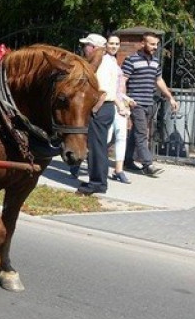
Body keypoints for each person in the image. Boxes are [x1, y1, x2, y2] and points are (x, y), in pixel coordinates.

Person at [123, 32, 179, 177]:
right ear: (142, 43)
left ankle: (127, 161)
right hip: (136, 103)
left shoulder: (155, 62)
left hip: (149, 102)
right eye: (152, 44)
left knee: (136, 132)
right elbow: (122, 80)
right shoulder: (131, 60)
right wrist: (124, 99)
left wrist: (170, 97)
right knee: (142, 134)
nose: (155, 47)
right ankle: (148, 164)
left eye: (156, 45)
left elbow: (159, 81)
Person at [77, 33, 124, 196]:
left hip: (101, 108)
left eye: (87, 45)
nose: (84, 48)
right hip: (105, 108)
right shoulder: (107, 61)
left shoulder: (102, 63)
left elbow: (102, 92)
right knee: (99, 147)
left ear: (95, 48)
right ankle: (99, 181)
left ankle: (97, 183)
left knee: (96, 148)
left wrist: (92, 111)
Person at [106, 35, 131, 184]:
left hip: (120, 103)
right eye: (111, 43)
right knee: (106, 138)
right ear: (106, 44)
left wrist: (126, 98)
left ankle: (119, 170)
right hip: (110, 103)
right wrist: (120, 103)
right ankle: (79, 165)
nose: (114, 46)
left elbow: (117, 86)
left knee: (122, 137)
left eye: (117, 44)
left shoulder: (115, 61)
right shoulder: (104, 61)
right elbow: (107, 87)